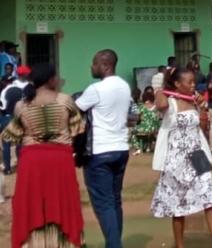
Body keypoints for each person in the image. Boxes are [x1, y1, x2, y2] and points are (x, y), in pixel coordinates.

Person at [1, 63, 84, 247]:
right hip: (60, 158)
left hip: (31, 161)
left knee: (31, 204)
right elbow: (78, 130)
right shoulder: (65, 100)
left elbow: (13, 137)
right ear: (51, 79)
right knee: (62, 203)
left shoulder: (21, 105)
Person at [151, 67, 212, 248]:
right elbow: (160, 105)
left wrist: (202, 106)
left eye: (194, 82)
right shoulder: (170, 102)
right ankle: (180, 245)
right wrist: (160, 89)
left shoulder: (193, 101)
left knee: (210, 198)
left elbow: (203, 127)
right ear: (176, 84)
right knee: (178, 205)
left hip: (197, 155)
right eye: (189, 82)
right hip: (176, 158)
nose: (193, 86)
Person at [75, 49, 131, 248]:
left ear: (105, 65)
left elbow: (74, 109)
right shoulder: (124, 86)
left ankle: (114, 245)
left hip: (99, 152)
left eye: (94, 63)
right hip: (121, 149)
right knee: (115, 201)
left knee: (104, 204)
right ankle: (114, 242)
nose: (92, 67)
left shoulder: (95, 89)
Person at [0, 64, 29, 175]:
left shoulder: (6, 90)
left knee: (6, 145)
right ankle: (21, 166)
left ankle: (8, 169)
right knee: (19, 144)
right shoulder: (25, 89)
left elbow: (2, 106)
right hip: (19, 118)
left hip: (7, 118)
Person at [131, 86, 160, 154]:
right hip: (155, 128)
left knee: (133, 132)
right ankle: (148, 147)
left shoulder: (141, 107)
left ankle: (138, 148)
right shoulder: (156, 107)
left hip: (145, 129)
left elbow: (138, 118)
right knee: (147, 131)